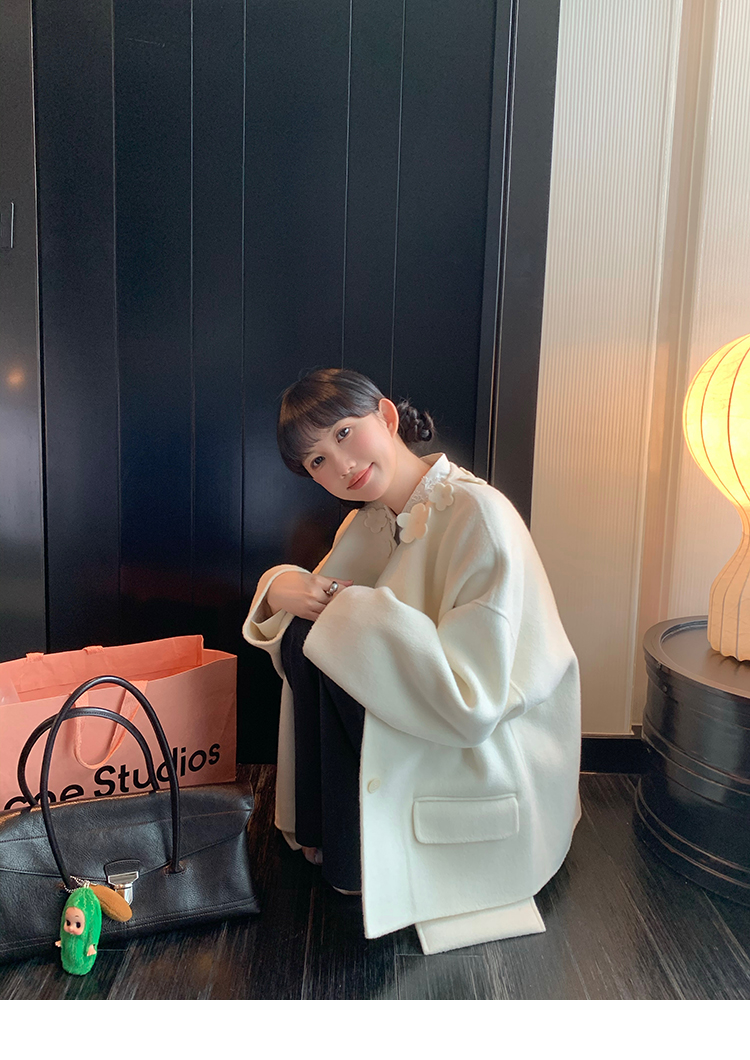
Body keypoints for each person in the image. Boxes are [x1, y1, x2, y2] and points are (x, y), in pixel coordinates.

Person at [242, 368, 581, 954]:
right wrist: (279, 586)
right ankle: (336, 834)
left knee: (326, 633)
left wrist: (339, 604)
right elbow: (319, 613)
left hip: (486, 733)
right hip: (427, 708)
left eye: (344, 433)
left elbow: (472, 698)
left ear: (386, 416)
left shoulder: (477, 513)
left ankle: (351, 848)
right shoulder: (370, 517)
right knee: (306, 634)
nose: (341, 465)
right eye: (318, 460)